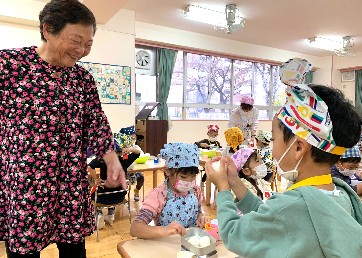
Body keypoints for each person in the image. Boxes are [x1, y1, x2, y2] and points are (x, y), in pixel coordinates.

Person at [0, 1, 127, 257]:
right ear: (48, 29)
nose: (82, 50)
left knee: (74, 251)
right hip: (27, 184)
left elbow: (96, 121)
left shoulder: (82, 79)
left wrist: (112, 160)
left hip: (69, 181)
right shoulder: (9, 66)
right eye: (76, 40)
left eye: (88, 44)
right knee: (24, 252)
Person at [205, 58, 362, 257]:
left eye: (275, 139)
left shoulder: (293, 205)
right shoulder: (339, 193)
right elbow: (271, 216)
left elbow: (234, 234)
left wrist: (224, 190)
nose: (273, 148)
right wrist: (236, 183)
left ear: (298, 147)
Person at [130, 143, 207, 239]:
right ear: (167, 171)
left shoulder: (195, 190)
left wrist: (200, 216)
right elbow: (135, 228)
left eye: (193, 176)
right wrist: (164, 230)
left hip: (190, 242)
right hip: (166, 245)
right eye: (183, 177)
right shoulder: (159, 195)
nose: (189, 181)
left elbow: (198, 211)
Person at [88, 133, 140, 227]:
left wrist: (96, 178)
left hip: (102, 198)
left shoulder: (102, 159)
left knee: (92, 193)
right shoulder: (124, 160)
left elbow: (89, 167)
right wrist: (130, 149)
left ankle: (99, 214)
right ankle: (111, 214)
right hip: (120, 197)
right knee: (114, 188)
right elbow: (138, 152)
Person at [119, 125, 145, 201]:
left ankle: (136, 191)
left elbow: (140, 154)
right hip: (121, 174)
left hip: (132, 172)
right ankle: (120, 195)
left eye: (134, 137)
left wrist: (131, 149)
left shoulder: (135, 147)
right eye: (131, 137)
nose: (134, 139)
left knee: (141, 177)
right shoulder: (119, 148)